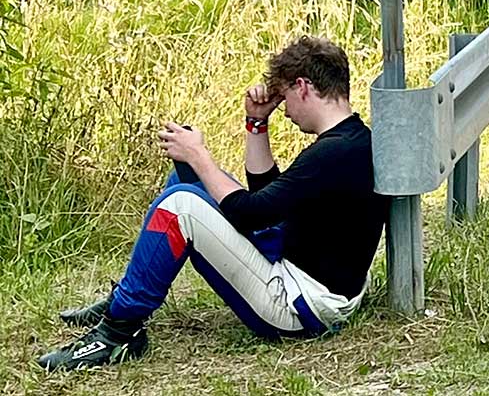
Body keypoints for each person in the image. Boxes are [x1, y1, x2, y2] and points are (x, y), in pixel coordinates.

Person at [38, 36, 390, 371]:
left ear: (302, 87)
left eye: (283, 99)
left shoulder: (333, 153)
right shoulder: (352, 140)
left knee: (181, 205)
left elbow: (250, 213)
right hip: (310, 278)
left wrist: (199, 155)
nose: (285, 111)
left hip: (299, 307)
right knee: (184, 182)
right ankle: (124, 300)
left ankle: (119, 330)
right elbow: (269, 200)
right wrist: (256, 123)